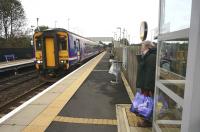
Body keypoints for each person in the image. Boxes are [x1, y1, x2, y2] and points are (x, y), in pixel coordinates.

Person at [136, 40, 157, 127]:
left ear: (147, 47)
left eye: (142, 46)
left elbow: (150, 73)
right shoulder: (147, 55)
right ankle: (146, 120)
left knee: (147, 103)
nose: (141, 47)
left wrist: (147, 87)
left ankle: (147, 121)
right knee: (145, 102)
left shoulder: (151, 57)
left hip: (147, 85)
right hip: (145, 84)